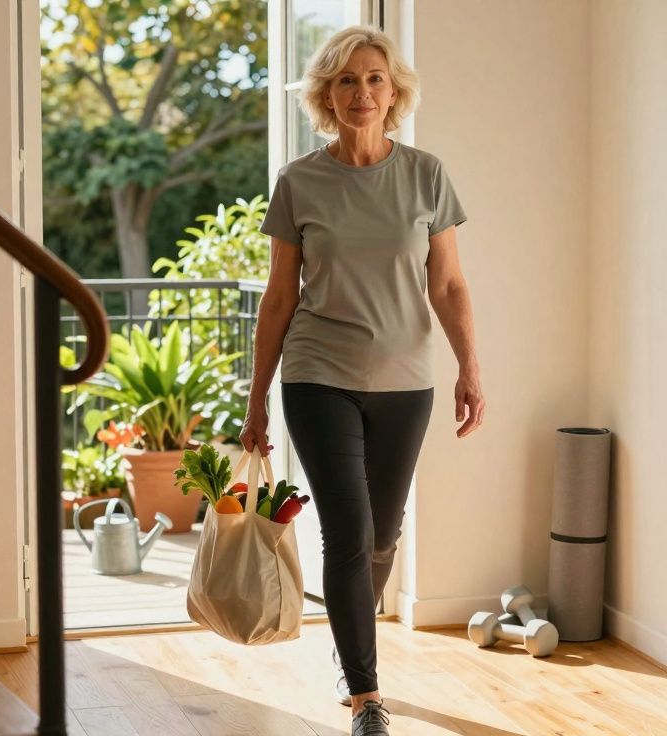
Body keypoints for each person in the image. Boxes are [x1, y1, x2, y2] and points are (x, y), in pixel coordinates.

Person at [238, 24, 484, 736]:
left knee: (381, 533)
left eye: (375, 79)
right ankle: (366, 695)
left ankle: (352, 640)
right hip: (318, 374)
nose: (362, 93)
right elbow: (279, 298)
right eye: (347, 80)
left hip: (407, 378)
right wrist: (256, 399)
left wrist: (470, 367)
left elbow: (449, 285)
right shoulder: (299, 182)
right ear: (326, 95)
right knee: (348, 531)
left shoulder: (425, 174)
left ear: (394, 92)